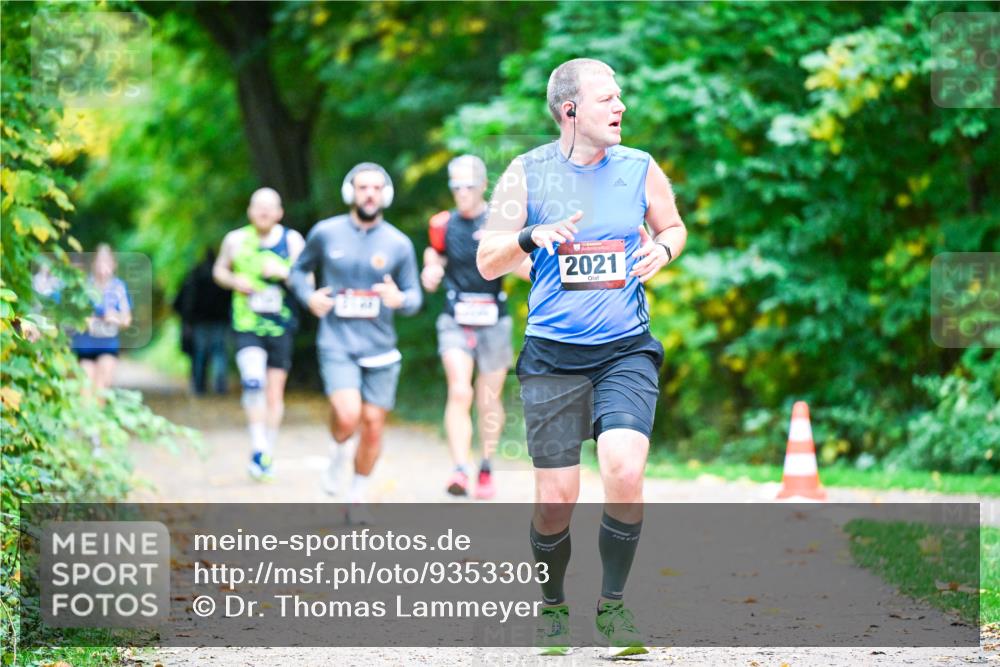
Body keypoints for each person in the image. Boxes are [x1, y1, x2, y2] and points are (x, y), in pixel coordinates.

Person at [476, 58, 688, 656]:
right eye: (607, 99)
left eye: (620, 97)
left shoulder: (639, 168)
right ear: (570, 111)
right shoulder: (526, 173)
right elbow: (487, 260)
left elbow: (673, 226)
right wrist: (527, 237)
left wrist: (663, 253)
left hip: (625, 348)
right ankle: (552, 607)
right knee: (555, 499)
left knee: (623, 469)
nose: (621, 108)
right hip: (552, 355)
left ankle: (613, 608)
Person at [290, 162, 421, 525]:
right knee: (348, 415)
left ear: (386, 195)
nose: (369, 194)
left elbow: (414, 296)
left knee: (374, 423)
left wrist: (401, 300)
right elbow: (298, 271)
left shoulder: (398, 243)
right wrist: (309, 297)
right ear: (351, 192)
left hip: (380, 346)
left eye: (376, 188)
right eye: (363, 187)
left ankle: (357, 494)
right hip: (337, 341)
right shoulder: (326, 233)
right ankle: (337, 453)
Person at [422, 155, 523, 500]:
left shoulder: (499, 224)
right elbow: (434, 254)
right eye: (455, 185)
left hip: (493, 318)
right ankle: (459, 469)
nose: (461, 192)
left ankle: (486, 466)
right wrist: (430, 270)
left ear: (483, 186)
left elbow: (520, 263)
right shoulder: (442, 224)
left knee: (488, 397)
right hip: (455, 317)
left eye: (468, 185)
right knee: (460, 391)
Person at [213, 188, 304, 481]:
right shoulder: (236, 239)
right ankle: (258, 444)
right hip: (246, 323)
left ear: (279, 212)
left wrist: (284, 272)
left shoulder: (292, 241)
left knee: (275, 391)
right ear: (250, 211)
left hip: (281, 325)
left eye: (270, 207)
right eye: (258, 207)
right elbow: (219, 271)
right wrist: (233, 280)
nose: (264, 212)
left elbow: (308, 280)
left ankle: (267, 452)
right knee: (254, 381)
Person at [70, 244, 132, 405]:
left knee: (101, 388)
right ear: (94, 263)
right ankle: (85, 425)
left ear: (114, 264)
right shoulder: (84, 285)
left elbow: (126, 320)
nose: (103, 266)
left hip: (108, 347)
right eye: (100, 261)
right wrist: (86, 320)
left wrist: (114, 317)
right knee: (85, 388)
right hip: (85, 346)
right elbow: (74, 316)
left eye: (107, 262)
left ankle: (96, 428)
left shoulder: (119, 287)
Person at [175, 247, 232, 396]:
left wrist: (188, 319)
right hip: (219, 320)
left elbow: (182, 300)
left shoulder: (195, 275)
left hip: (200, 321)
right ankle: (220, 386)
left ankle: (199, 386)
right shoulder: (222, 275)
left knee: (200, 353)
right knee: (219, 352)